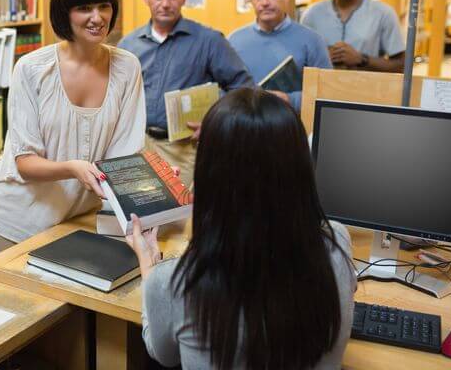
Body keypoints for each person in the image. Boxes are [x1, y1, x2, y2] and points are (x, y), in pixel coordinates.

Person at [126, 88, 356, 369]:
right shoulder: (337, 243)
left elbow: (161, 353)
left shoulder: (174, 282)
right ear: (300, 166)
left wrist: (149, 267)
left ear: (209, 173)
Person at [0, 0, 146, 252]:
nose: (97, 18)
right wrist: (74, 168)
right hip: (18, 224)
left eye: (103, 6)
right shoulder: (32, 69)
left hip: (79, 222)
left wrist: (152, 183)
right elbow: (25, 163)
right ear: (64, 13)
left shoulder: (127, 67)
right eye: (84, 8)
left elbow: (124, 155)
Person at [119, 0, 255, 187]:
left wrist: (215, 122)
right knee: (140, 216)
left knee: (179, 219)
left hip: (184, 150)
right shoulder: (129, 44)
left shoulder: (209, 41)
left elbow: (245, 89)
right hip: (138, 145)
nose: (165, 3)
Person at [228, 0, 331, 112]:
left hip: (291, 125)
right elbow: (225, 88)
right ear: (251, 1)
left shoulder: (312, 40)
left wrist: (290, 99)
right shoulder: (234, 40)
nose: (264, 2)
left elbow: (327, 92)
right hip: (244, 124)